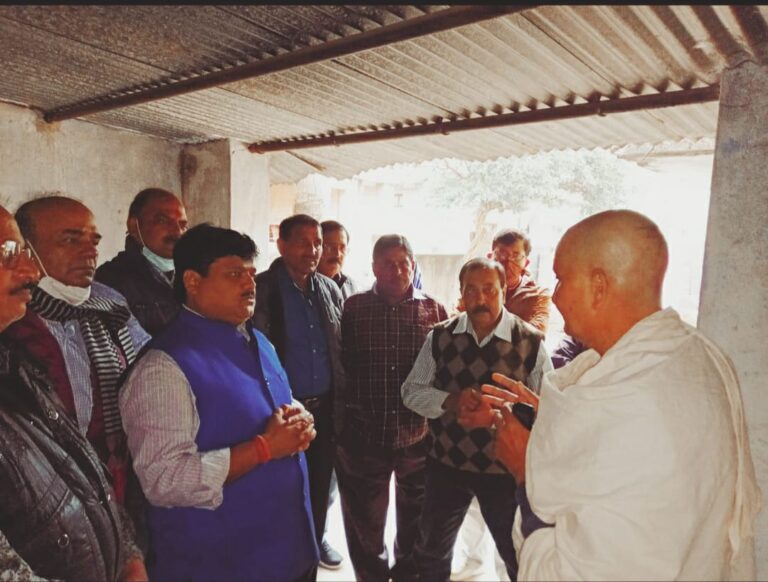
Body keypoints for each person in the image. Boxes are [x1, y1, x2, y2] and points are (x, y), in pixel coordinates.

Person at [485, 210, 761, 580]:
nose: (556, 295)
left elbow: (580, 571)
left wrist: (524, 470)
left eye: (561, 278)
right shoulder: (698, 354)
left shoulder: (634, 407)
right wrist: (550, 419)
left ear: (599, 286)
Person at [120, 224, 318, 582]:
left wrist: (298, 417)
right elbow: (163, 480)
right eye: (234, 274)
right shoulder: (163, 368)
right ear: (192, 281)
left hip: (289, 549)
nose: (250, 284)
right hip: (222, 563)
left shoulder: (258, 341)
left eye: (251, 273)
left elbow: (267, 403)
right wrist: (263, 448)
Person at [0, 204, 146, 581]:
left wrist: (127, 554)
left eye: (93, 241)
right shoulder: (21, 332)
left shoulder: (17, 368)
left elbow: (78, 465)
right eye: (9, 253)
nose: (29, 272)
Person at [402, 257, 552, 582]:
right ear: (461, 291)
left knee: (517, 554)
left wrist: (499, 416)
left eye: (489, 289)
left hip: (505, 472)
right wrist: (450, 400)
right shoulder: (440, 337)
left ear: (504, 290)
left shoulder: (530, 342)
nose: (480, 298)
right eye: (471, 290)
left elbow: (549, 410)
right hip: (446, 466)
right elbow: (411, 392)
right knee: (431, 553)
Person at [338, 234, 448, 581]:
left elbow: (443, 375)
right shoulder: (353, 309)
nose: (397, 270)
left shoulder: (435, 311)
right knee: (365, 525)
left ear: (413, 265)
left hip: (417, 438)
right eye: (388, 263)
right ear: (374, 267)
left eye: (404, 263)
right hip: (364, 438)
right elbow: (343, 365)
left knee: (416, 524)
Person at [252, 213, 345, 567]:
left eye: (317, 243)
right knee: (278, 495)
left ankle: (310, 559)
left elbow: (338, 351)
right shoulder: (261, 289)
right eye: (303, 242)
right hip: (280, 415)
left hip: (323, 413)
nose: (314, 250)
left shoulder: (329, 289)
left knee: (319, 493)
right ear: (282, 245)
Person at [96, 187, 188, 336]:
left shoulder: (192, 277)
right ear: (134, 226)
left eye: (183, 225)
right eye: (163, 220)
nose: (177, 232)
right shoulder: (110, 281)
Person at [490, 229, 550, 334]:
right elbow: (461, 323)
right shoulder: (476, 287)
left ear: (526, 263)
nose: (508, 263)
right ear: (491, 257)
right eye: (501, 254)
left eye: (516, 255)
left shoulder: (538, 294)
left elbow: (537, 333)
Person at [319, 219, 359, 300]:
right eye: (330, 247)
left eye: (342, 248)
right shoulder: (304, 285)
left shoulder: (350, 286)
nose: (337, 254)